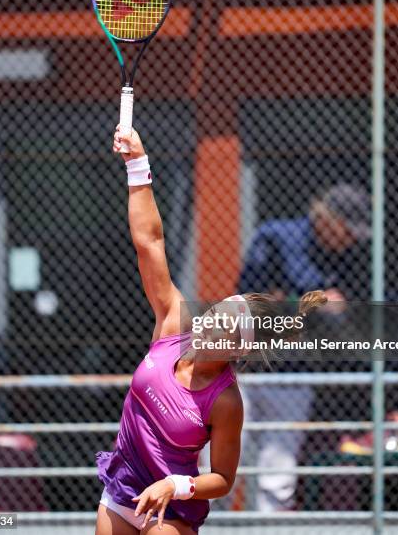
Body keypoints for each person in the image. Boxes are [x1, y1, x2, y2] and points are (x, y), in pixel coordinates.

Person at [94, 125, 326, 534]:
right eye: (215, 312)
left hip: (172, 510)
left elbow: (222, 479)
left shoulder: (226, 402)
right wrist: (137, 164)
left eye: (224, 327)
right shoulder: (172, 324)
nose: (209, 323)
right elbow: (149, 242)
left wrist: (176, 485)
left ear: (236, 351)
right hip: (122, 489)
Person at [238, 183, 371, 511]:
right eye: (348, 230)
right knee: (222, 461)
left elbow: (351, 311)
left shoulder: (349, 258)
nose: (351, 239)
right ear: (328, 219)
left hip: (295, 371)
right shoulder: (276, 237)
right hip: (245, 369)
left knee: (278, 476)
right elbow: (250, 300)